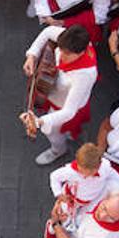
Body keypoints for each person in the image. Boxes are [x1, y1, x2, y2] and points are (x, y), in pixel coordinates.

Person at [22, 24, 99, 166]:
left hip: (63, 106)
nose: (61, 56)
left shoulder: (85, 75)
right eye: (60, 49)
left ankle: (58, 150)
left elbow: (69, 111)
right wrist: (32, 55)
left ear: (81, 52)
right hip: (52, 92)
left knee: (51, 131)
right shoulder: (70, 39)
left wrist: (39, 122)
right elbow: (48, 31)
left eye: (67, 54)